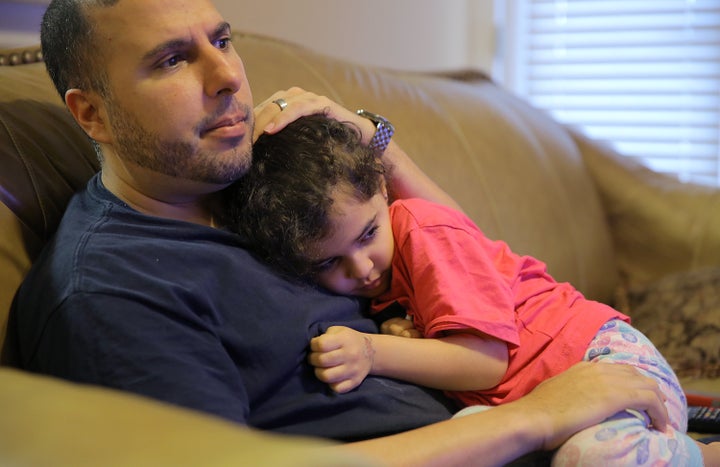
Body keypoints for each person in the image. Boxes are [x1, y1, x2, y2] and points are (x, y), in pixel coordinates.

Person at [5, 0, 678, 465]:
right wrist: (538, 416)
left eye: (222, 38)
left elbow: (458, 248)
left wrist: (375, 143)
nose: (227, 76)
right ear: (91, 113)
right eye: (171, 60)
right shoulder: (113, 293)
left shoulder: (247, 183)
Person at [222, 113, 720, 465]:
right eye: (330, 262)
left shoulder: (424, 230)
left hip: (601, 360)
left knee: (589, 459)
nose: (362, 268)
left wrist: (374, 351)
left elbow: (485, 361)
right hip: (548, 397)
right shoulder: (372, 265)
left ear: (382, 190)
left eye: (369, 234)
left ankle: (701, 456)